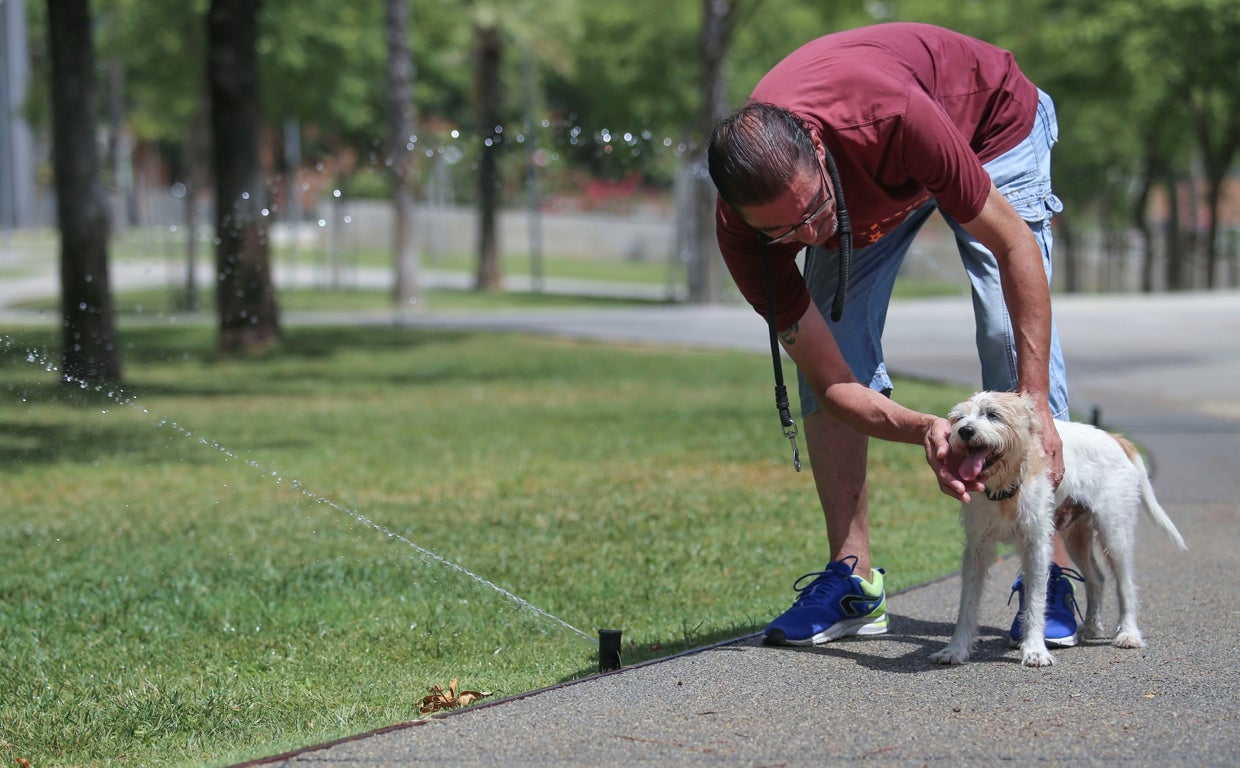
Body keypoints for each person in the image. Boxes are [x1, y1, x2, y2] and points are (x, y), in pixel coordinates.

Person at [707, 22, 1082, 648]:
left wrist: (1036, 404)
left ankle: (1053, 573)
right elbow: (833, 381)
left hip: (989, 125)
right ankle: (851, 581)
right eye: (784, 232)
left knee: (1004, 334)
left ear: (820, 153)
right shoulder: (747, 235)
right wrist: (922, 428)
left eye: (813, 212)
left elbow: (1014, 243)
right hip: (874, 172)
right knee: (838, 334)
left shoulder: (893, 118)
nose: (807, 237)